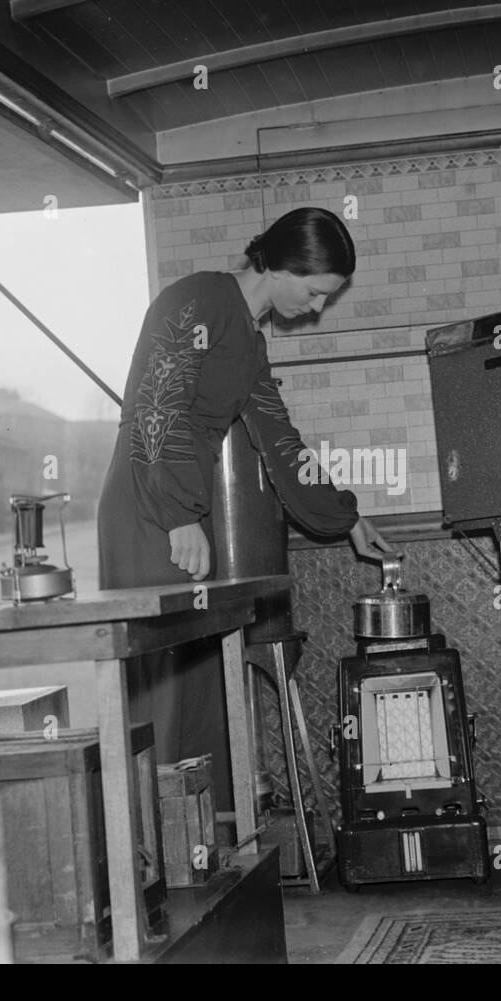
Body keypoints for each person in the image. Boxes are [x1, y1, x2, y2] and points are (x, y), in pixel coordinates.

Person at [97, 206, 393, 766]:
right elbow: (156, 408)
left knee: (197, 680)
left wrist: (344, 517)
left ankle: (199, 842)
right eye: (313, 291)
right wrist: (180, 514)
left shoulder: (250, 341)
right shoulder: (197, 300)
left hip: (182, 504)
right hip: (149, 507)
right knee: (164, 684)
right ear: (279, 267)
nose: (317, 307)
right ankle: (155, 843)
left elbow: (281, 442)